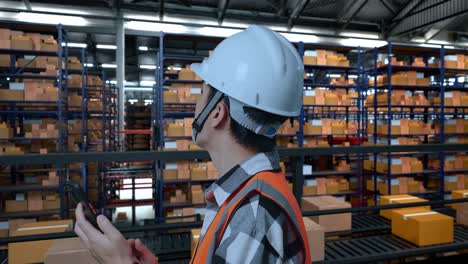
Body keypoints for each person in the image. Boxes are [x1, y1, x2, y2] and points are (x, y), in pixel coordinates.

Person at [75, 25, 311, 264]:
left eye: (202, 91)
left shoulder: (251, 216)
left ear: (218, 112)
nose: (196, 105)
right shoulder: (249, 191)